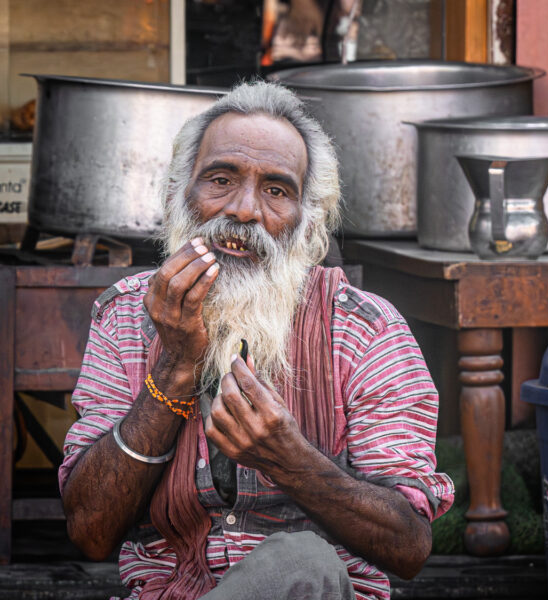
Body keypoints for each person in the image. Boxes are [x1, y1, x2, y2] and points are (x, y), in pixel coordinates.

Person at [59, 81, 454, 600]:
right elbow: (90, 531)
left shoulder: (365, 329)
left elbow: (408, 547)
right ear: (181, 196)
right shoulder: (126, 314)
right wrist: (174, 368)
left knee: (301, 562)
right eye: (220, 180)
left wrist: (289, 459)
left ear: (307, 220)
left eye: (275, 190)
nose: (244, 210)